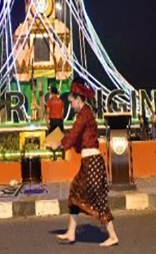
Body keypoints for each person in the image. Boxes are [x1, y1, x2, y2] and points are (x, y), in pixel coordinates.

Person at [51, 78, 118, 248]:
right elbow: (76, 137)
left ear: (78, 99)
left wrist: (60, 144)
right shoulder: (84, 113)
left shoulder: (84, 114)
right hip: (88, 163)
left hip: (93, 163)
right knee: (75, 192)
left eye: (71, 102)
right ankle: (71, 231)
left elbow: (74, 134)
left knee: (98, 199)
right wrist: (62, 142)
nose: (71, 105)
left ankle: (112, 236)